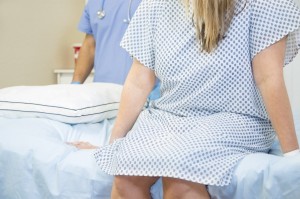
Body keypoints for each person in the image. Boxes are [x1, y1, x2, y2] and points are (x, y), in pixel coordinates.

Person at [73, 0, 300, 198]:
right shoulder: (156, 5)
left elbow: (269, 78)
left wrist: (293, 156)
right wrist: (114, 145)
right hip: (169, 117)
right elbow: (139, 81)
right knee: (125, 181)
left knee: (180, 181)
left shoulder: (264, 4)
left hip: (235, 118)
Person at [71, 0, 160, 94]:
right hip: (102, 92)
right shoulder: (93, 2)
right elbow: (89, 45)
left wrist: (162, 85)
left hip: (143, 92)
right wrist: (75, 84)